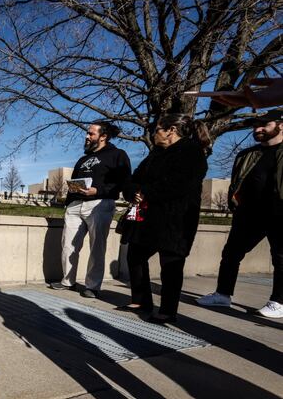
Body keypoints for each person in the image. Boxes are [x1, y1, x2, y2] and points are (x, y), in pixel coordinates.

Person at [119, 114, 211, 324]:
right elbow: (134, 179)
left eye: (156, 129)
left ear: (171, 130)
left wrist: (147, 192)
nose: (153, 134)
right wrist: (133, 191)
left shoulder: (192, 151)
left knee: (171, 264)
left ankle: (168, 311)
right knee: (135, 255)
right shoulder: (155, 154)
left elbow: (181, 183)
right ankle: (141, 300)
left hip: (176, 219)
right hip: (148, 216)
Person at [197, 108, 283, 318]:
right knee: (231, 253)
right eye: (256, 125)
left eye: (265, 124)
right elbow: (238, 181)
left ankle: (278, 302)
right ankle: (223, 294)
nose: (258, 129)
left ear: (281, 125)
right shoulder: (247, 154)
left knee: (280, 257)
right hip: (249, 214)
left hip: (279, 214)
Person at [49, 121, 131, 298]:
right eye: (87, 133)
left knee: (97, 247)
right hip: (75, 205)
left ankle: (92, 286)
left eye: (91, 134)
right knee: (68, 245)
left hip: (99, 204)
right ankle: (67, 281)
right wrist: (69, 201)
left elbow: (123, 182)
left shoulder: (117, 155)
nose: (87, 136)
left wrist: (99, 190)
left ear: (104, 136)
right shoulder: (82, 159)